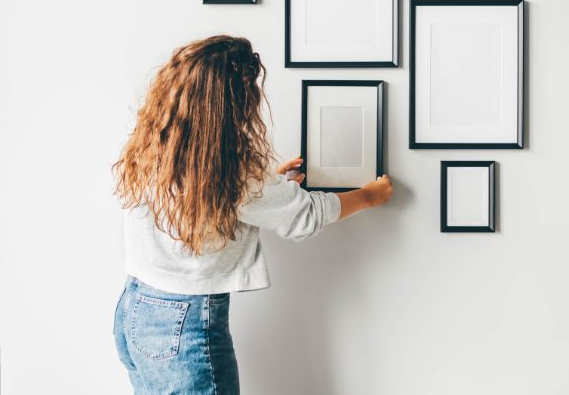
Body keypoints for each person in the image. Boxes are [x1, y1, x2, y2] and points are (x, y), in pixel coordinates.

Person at [111, 35, 393, 394]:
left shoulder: (158, 145)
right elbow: (304, 214)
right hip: (185, 327)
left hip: (135, 309)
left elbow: (205, 204)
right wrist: (369, 195)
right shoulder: (229, 172)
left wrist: (269, 185)